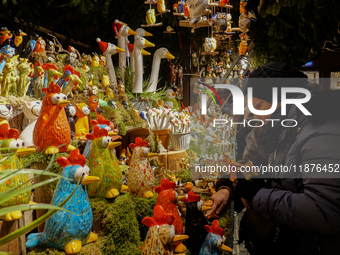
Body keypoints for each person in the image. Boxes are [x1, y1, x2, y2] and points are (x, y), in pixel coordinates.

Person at [205, 62, 340, 255]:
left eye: (258, 106)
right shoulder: (273, 128)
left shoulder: (321, 132)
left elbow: (324, 211)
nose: (253, 115)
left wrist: (256, 194)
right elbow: (251, 162)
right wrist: (228, 186)